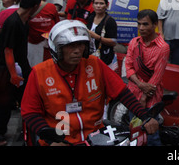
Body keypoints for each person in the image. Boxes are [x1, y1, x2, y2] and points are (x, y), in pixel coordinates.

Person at [20, 20, 159, 146]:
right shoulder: (39, 73)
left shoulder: (94, 64)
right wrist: (50, 138)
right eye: (70, 46)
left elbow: (122, 92)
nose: (77, 51)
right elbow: (30, 112)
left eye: (81, 45)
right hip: (61, 142)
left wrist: (145, 117)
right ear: (57, 48)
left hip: (96, 139)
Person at [0, 0, 42, 146]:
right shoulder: (13, 22)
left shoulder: (25, 19)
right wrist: (13, 74)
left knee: (27, 98)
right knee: (3, 101)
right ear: (35, 6)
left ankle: (27, 131)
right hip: (6, 67)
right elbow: (8, 50)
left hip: (21, 64)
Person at [125, 9, 169, 146]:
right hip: (133, 92)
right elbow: (129, 66)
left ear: (155, 24)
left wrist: (144, 97)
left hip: (151, 96)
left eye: (145, 24)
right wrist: (139, 84)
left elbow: (157, 76)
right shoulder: (134, 42)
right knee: (135, 130)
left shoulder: (163, 47)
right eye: (139, 24)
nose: (141, 28)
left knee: (151, 133)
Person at [27, 0, 60, 67]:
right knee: (46, 67)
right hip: (47, 43)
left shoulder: (29, 6)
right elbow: (57, 24)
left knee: (31, 65)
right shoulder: (51, 7)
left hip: (31, 42)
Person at [86, 0, 117, 66]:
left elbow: (113, 42)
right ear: (93, 5)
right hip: (90, 56)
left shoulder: (109, 21)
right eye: (96, 3)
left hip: (104, 57)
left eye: (101, 3)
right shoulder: (91, 18)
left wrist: (97, 37)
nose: (98, 6)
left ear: (106, 5)